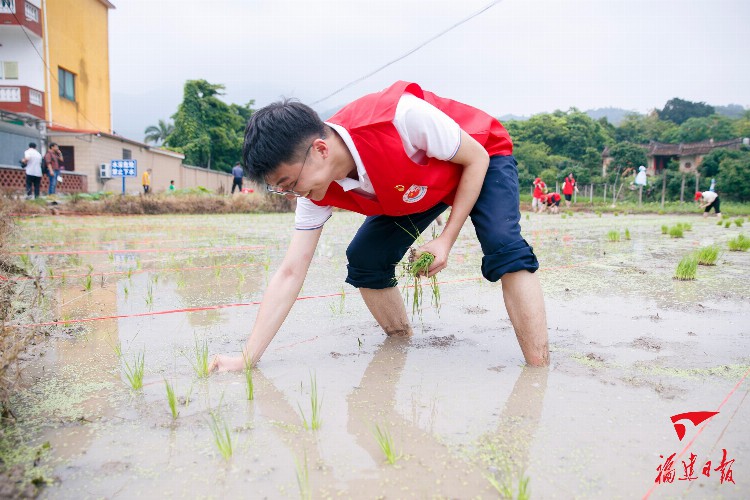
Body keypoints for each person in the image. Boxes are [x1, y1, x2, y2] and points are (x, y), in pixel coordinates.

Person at [209, 81, 549, 373]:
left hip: (480, 157)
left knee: (504, 246)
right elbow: (290, 273)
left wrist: (446, 239)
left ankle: (538, 369)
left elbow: (475, 158)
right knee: (366, 257)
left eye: (289, 182)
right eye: (279, 188)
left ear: (321, 150)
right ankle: (401, 342)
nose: (290, 194)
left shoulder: (401, 118)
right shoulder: (314, 192)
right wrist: (247, 358)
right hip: (412, 189)